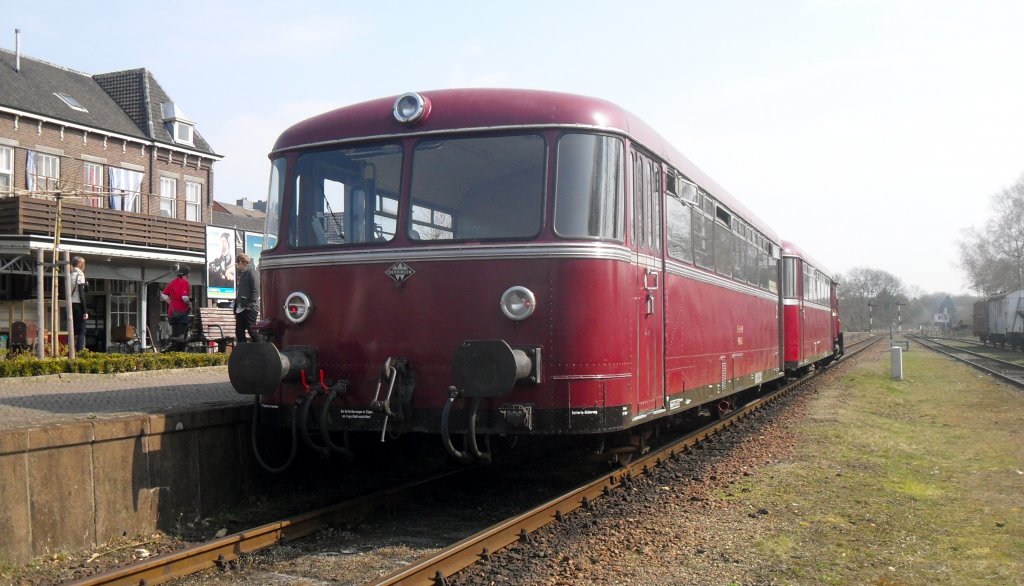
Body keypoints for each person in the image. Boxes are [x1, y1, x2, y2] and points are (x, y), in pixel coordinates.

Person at [233, 253, 259, 343]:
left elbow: (256, 289)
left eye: (237, 264)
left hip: (250, 308)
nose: (237, 266)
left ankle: (261, 349)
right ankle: (243, 351)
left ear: (240, 262)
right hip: (242, 307)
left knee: (252, 330)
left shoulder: (252, 272)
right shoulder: (243, 273)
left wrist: (251, 304)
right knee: (239, 331)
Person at [161, 266, 192, 339]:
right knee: (182, 335)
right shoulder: (185, 282)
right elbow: (184, 297)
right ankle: (180, 349)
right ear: (187, 274)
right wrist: (189, 304)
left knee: (175, 334)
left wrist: (171, 302)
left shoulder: (173, 282)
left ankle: (175, 349)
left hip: (172, 311)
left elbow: (164, 294)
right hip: (182, 311)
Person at [69, 256, 88, 352]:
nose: (84, 265)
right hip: (78, 304)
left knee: (73, 328)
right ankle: (80, 351)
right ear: (80, 263)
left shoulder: (70, 275)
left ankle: (71, 350)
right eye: (83, 263)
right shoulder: (80, 275)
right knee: (81, 330)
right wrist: (85, 311)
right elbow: (82, 294)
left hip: (70, 304)